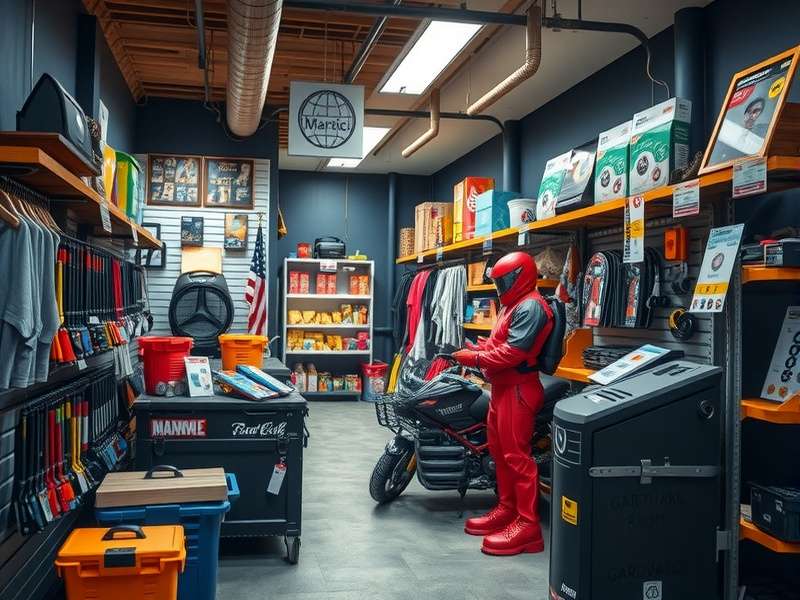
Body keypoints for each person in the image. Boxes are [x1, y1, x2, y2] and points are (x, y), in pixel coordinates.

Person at [452, 252, 553, 556]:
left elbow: (513, 353)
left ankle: (527, 526)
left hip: (519, 390)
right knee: (501, 453)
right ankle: (508, 511)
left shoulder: (531, 306)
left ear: (520, 277)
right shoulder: (515, 305)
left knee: (517, 458)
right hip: (503, 389)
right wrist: (481, 348)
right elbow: (501, 344)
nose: (500, 286)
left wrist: (476, 357)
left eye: (504, 280)